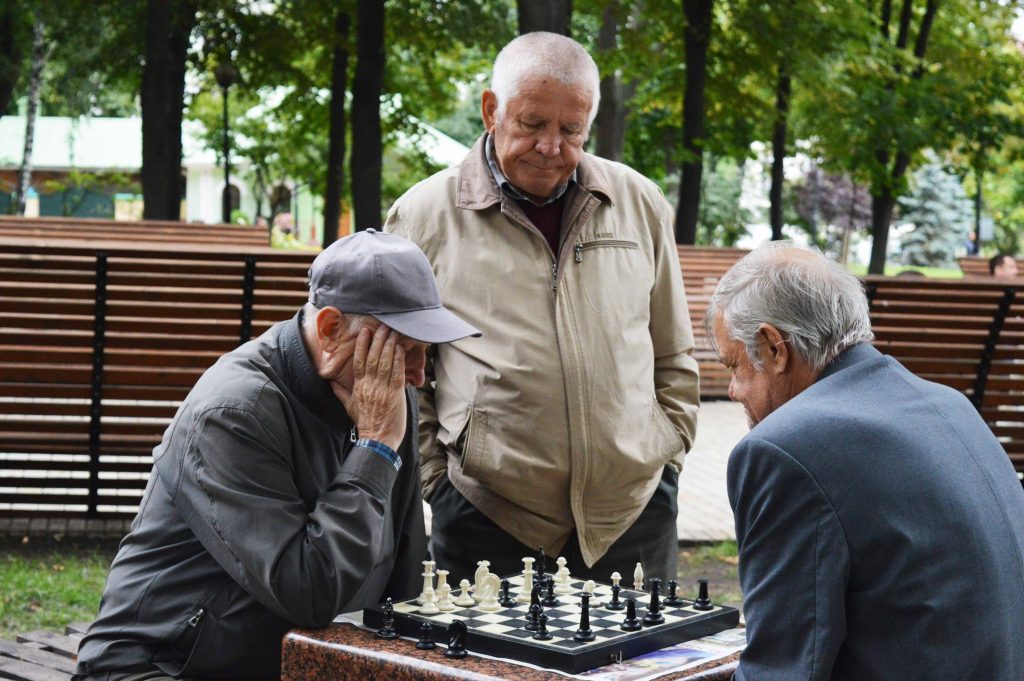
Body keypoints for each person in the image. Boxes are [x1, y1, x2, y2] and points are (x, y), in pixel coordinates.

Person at [73, 230, 480, 681]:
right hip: (163, 666)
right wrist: (375, 447)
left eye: (428, 352)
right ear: (330, 329)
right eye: (404, 349)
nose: (419, 375)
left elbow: (401, 562)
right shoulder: (232, 412)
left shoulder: (384, 393)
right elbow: (310, 590)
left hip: (281, 661)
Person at [384, 32, 699, 585]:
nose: (551, 145)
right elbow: (404, 375)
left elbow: (672, 345)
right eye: (532, 124)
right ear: (491, 110)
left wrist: (667, 449)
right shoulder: (424, 216)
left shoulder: (639, 202)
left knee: (636, 671)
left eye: (571, 130)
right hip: (489, 515)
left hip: (631, 514)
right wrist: (439, 481)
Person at [708, 243, 1024, 681]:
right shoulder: (951, 405)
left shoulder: (784, 449)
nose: (733, 391)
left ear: (773, 347)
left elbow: (781, 669)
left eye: (735, 366)